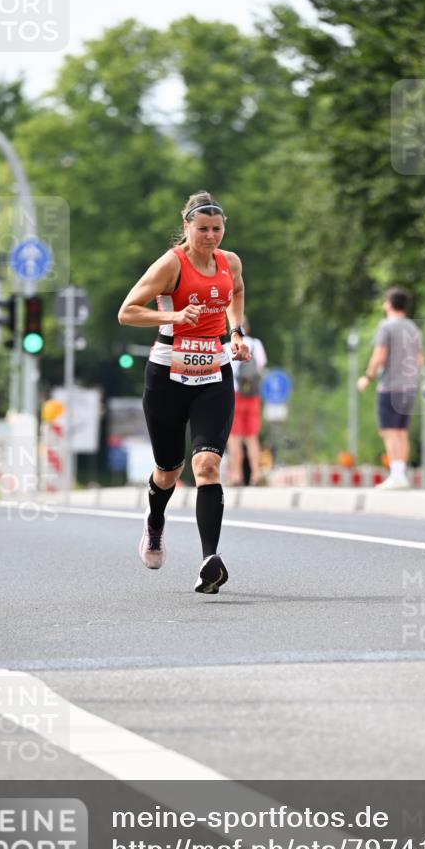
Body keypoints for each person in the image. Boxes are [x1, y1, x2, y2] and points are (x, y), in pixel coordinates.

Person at [118, 191, 251, 594]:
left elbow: (237, 292)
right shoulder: (170, 265)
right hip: (167, 376)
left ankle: (210, 560)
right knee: (169, 471)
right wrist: (173, 314)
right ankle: (155, 523)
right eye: (203, 229)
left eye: (217, 229)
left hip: (214, 373)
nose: (211, 237)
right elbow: (127, 311)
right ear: (187, 226)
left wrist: (236, 332)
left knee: (207, 465)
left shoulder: (230, 262)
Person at [357, 287, 422, 489]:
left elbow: (379, 355)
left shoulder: (386, 327)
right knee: (402, 431)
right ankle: (400, 473)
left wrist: (368, 377)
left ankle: (395, 475)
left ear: (389, 304)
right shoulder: (413, 328)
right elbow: (420, 360)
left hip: (391, 387)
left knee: (389, 431)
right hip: (409, 387)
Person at [225, 316, 267, 486]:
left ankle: (236, 475)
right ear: (248, 328)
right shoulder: (256, 344)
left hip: (234, 395)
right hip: (252, 396)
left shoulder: (227, 347)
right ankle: (256, 475)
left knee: (234, 437)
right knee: (252, 437)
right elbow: (260, 366)